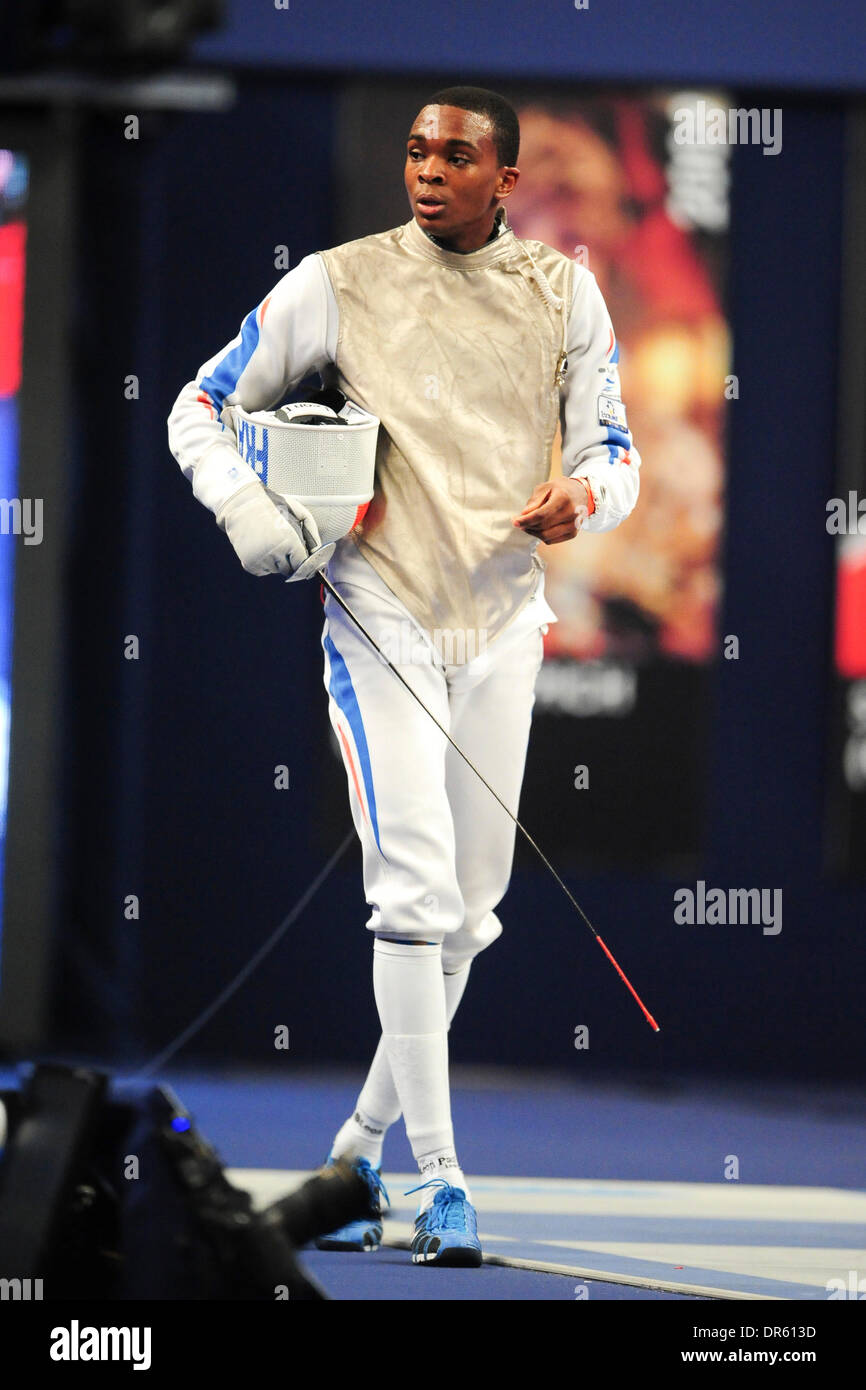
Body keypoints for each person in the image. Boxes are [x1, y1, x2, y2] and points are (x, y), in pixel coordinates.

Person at [167, 85, 640, 1268]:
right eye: (417, 150)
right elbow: (199, 404)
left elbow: (612, 449)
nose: (428, 169)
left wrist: (582, 496)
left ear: (505, 180)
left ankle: (357, 1150)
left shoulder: (560, 292)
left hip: (502, 620)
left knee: (471, 918)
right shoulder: (336, 280)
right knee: (414, 894)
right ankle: (442, 1182)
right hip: (379, 615)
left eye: (457, 154)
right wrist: (247, 509)